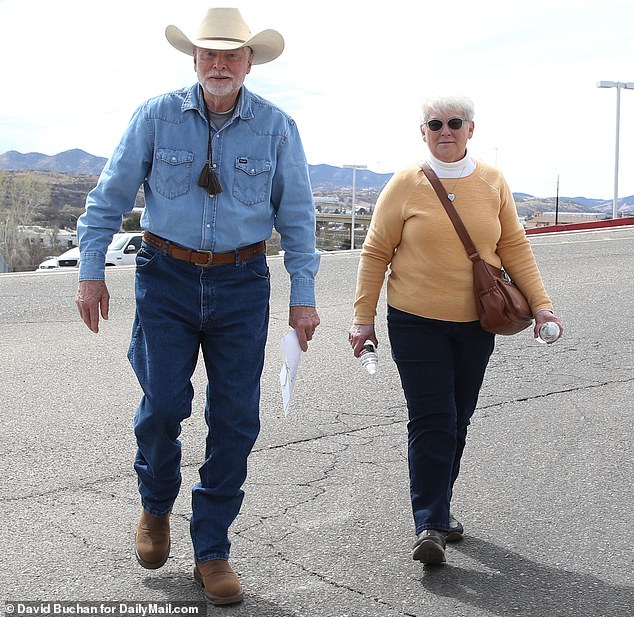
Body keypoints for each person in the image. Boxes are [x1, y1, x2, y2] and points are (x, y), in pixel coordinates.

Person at [75, 8, 320, 605]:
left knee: (236, 420)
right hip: (167, 279)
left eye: (230, 55)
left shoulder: (277, 127)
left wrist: (303, 296)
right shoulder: (155, 116)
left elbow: (298, 218)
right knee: (162, 406)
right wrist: (90, 273)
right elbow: (107, 197)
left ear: (249, 63)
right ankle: (155, 504)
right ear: (193, 60)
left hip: (242, 283)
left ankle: (211, 549)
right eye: (209, 54)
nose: (219, 64)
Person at [348, 95, 563, 566]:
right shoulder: (405, 184)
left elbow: (514, 247)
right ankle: (428, 521)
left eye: (455, 122)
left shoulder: (491, 181)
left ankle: (439, 511)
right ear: (422, 131)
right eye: (435, 123)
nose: (446, 130)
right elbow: (375, 252)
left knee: (458, 418)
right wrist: (363, 319)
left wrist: (543, 308)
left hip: (475, 324)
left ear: (471, 129)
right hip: (414, 322)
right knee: (433, 419)